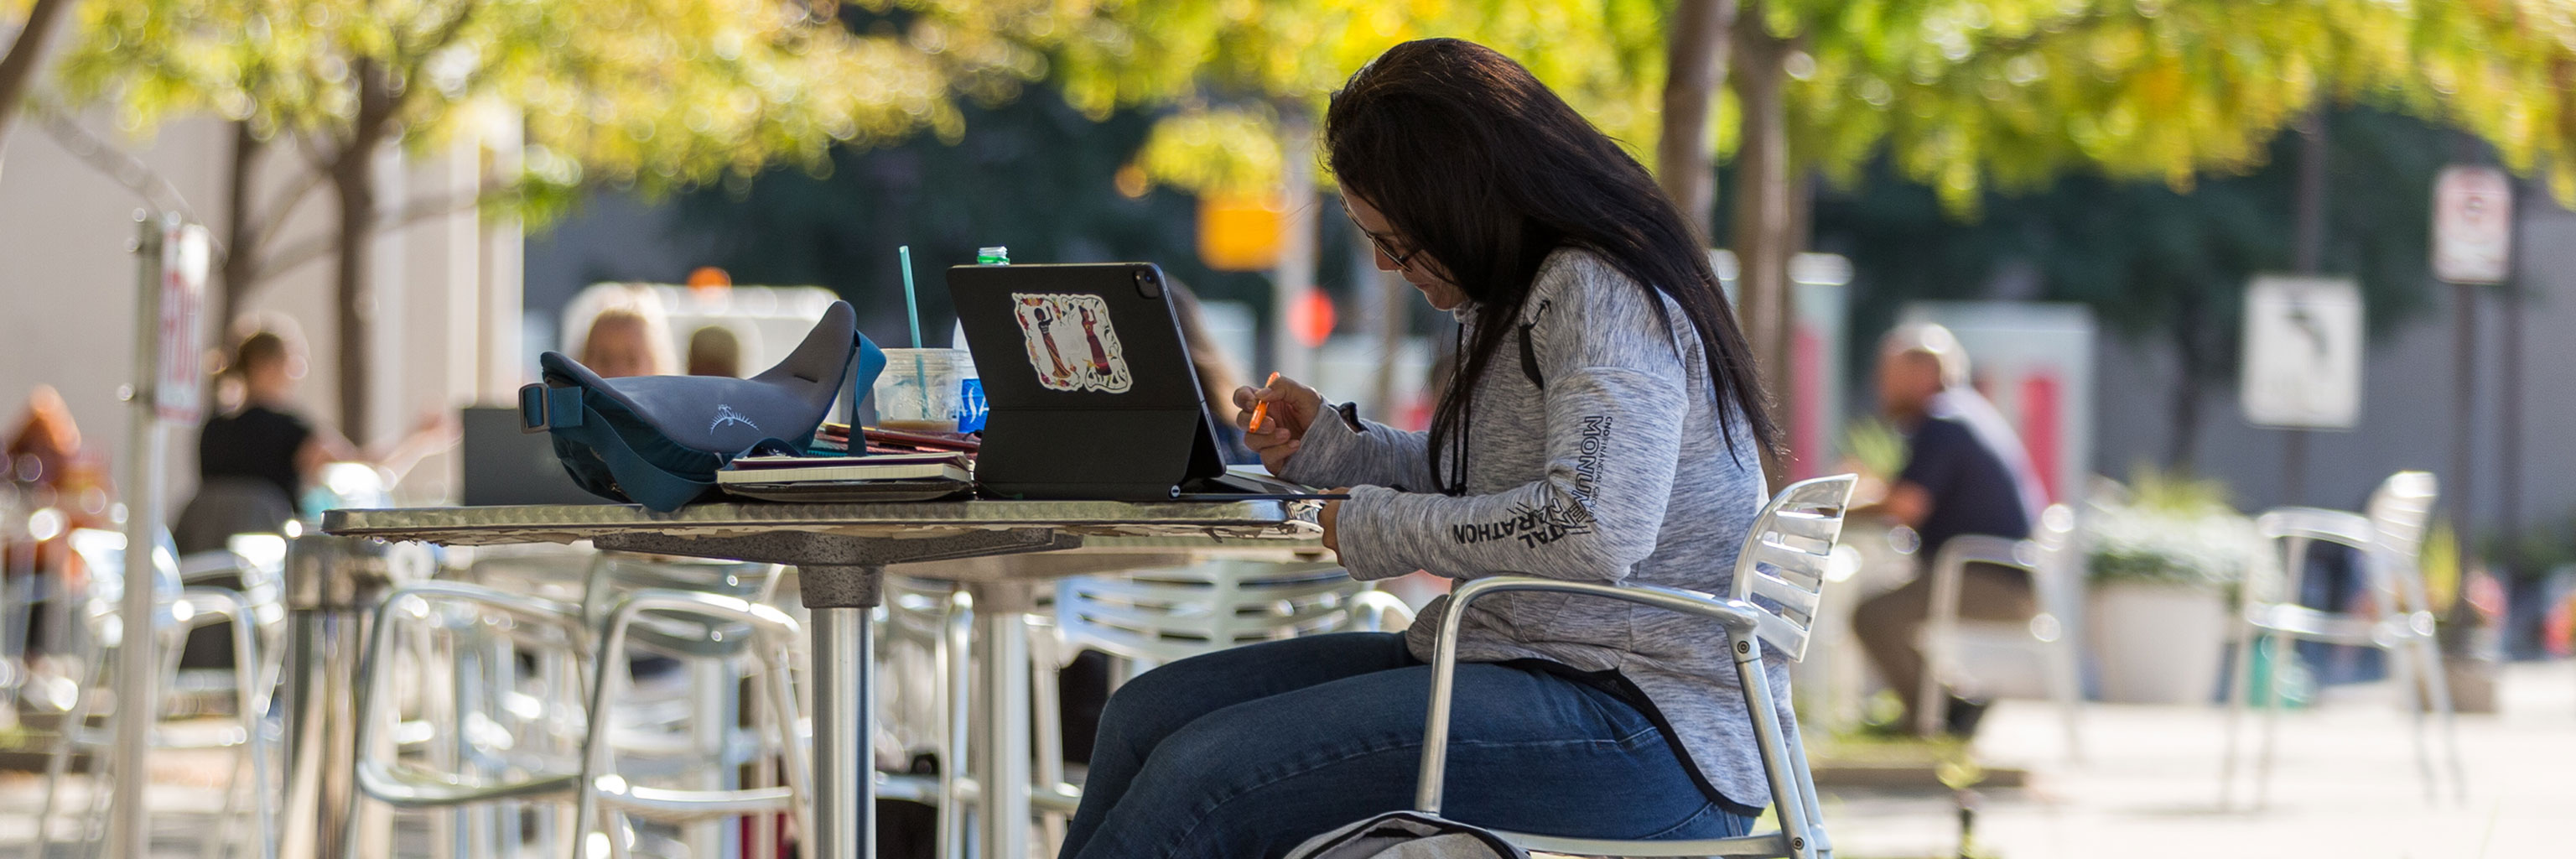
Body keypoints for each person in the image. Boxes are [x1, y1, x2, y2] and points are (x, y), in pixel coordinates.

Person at [1056, 39, 1783, 858]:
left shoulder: (1594, 290)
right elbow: (1479, 481)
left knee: (1206, 774)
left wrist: (1380, 526)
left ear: (1459, 199)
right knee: (1142, 714)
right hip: (1525, 661)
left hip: (1646, 727)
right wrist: (1334, 449)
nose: (1382, 263)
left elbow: (1590, 526)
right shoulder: (1517, 297)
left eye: (1396, 240)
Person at [1848, 323, 2046, 737]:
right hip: (2002, 573)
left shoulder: (1942, 422)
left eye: (1889, 374)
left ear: (1924, 374)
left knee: (1873, 615)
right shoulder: (1960, 413)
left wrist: (1832, 508)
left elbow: (1905, 506)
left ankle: (1932, 720)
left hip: (1993, 579)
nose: (1880, 386)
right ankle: (1953, 706)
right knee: (1881, 610)